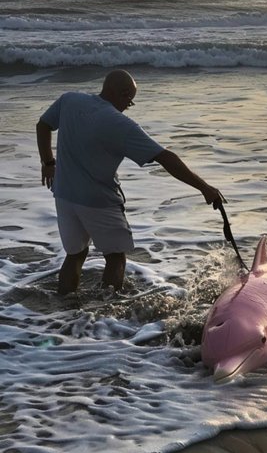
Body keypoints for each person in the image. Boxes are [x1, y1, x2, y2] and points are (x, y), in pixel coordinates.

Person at [36, 69, 224, 295]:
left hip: (64, 195)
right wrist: (205, 188)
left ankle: (65, 310)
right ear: (124, 94)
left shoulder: (70, 100)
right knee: (115, 258)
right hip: (98, 201)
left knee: (75, 255)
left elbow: (43, 125)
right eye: (130, 101)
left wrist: (48, 163)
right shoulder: (120, 124)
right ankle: (108, 315)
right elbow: (166, 158)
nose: (128, 106)